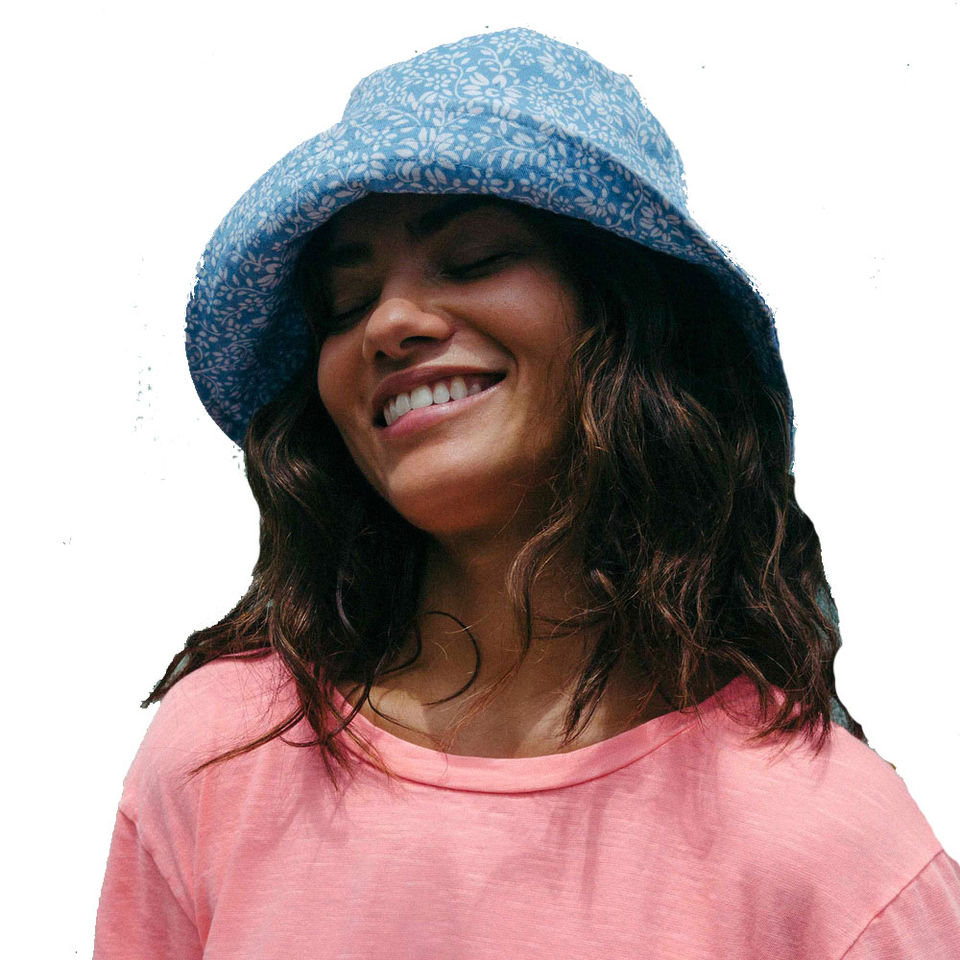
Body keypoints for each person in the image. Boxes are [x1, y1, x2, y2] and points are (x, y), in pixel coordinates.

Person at [93, 27, 960, 958]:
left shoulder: (832, 844)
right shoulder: (219, 754)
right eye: (344, 306)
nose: (389, 323)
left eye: (473, 258)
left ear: (632, 320)